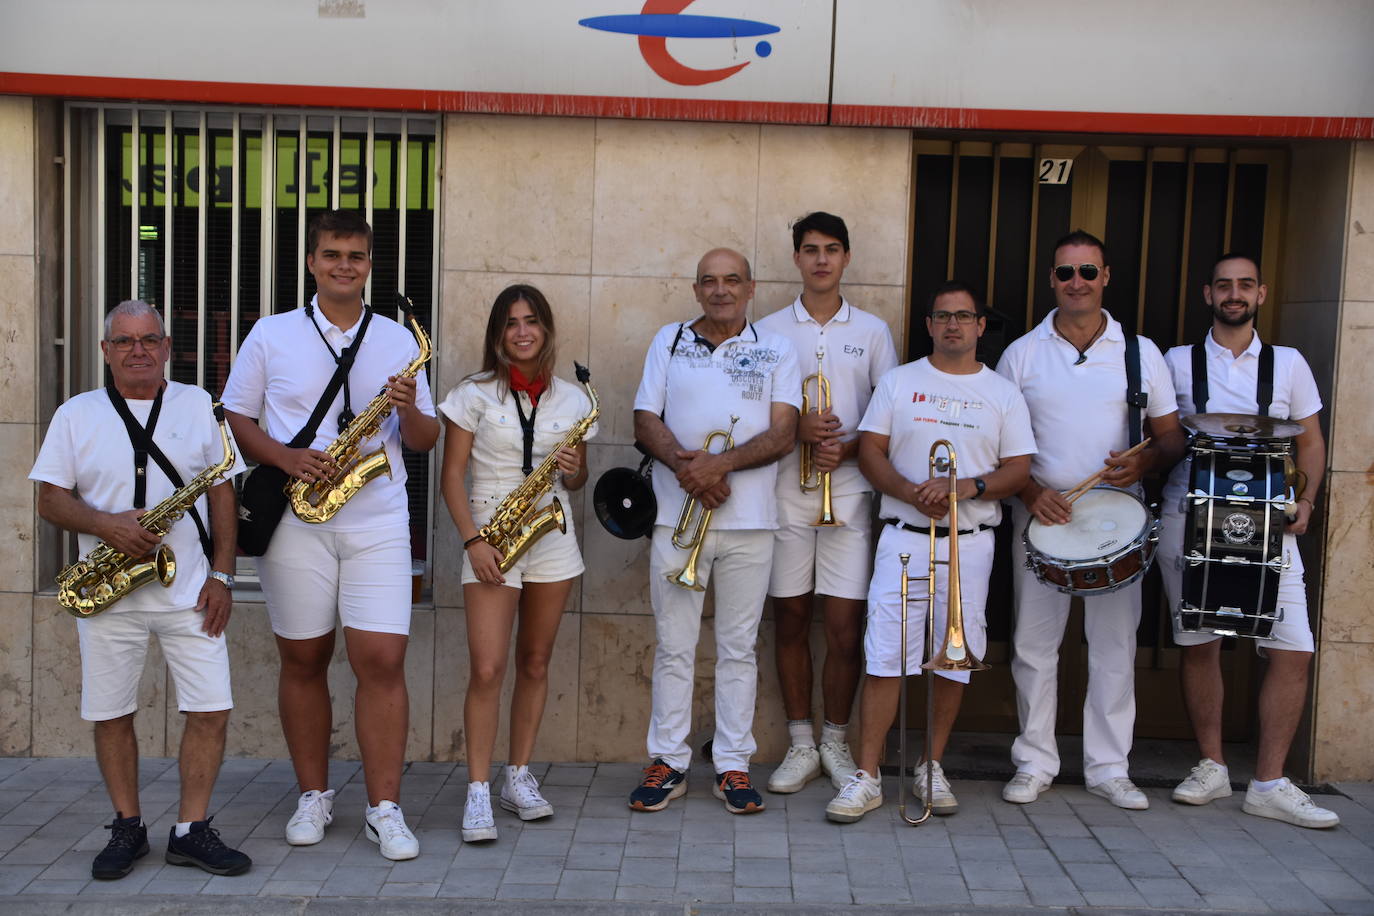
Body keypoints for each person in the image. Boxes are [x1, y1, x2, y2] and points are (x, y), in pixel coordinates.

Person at [221, 210, 439, 860]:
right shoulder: (272, 333)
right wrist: (287, 459)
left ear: (369, 264)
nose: (344, 265)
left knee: (382, 661)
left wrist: (407, 408)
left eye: (356, 256)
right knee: (304, 659)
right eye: (332, 254)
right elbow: (235, 415)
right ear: (311, 262)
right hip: (298, 519)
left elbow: (426, 439)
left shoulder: (399, 341)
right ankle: (312, 797)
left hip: (377, 518)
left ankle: (385, 808)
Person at [30, 300, 251, 879]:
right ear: (105, 351)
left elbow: (223, 494)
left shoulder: (198, 404)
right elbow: (49, 499)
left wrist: (224, 576)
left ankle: (191, 830)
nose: (137, 350)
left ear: (167, 347)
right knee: (112, 712)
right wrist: (108, 526)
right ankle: (127, 826)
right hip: (109, 593)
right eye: (124, 341)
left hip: (191, 591)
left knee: (210, 708)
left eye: (149, 339)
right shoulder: (76, 414)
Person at [825, 282, 1034, 822]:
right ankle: (867, 776)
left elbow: (1019, 470)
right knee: (886, 657)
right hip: (903, 536)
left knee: (953, 659)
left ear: (981, 326)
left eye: (964, 317)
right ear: (929, 324)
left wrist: (965, 489)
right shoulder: (899, 381)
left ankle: (931, 766)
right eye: (943, 317)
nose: (953, 326)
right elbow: (869, 451)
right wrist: (908, 491)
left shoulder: (1003, 392)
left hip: (971, 544)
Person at [996, 229, 1185, 810]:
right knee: (1034, 646)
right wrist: (1029, 491)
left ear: (1106, 278)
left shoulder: (1140, 352)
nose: (1076, 282)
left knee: (1112, 647)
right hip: (1043, 517)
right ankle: (1034, 761)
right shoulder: (1021, 354)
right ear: (1050, 280)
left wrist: (1146, 461)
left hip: (1115, 523)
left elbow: (1172, 436)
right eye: (1064, 272)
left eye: (1087, 271)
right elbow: (994, 437)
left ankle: (1109, 766)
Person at [1159, 254, 1338, 828]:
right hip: (1191, 518)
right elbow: (1156, 437)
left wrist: (1305, 501)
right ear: (1207, 293)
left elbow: (1310, 441)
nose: (1233, 294)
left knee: (1292, 648)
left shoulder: (1288, 364)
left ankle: (1268, 781)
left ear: (1261, 293)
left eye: (1244, 285)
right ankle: (1211, 766)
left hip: (1271, 526)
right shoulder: (1176, 362)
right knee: (1199, 642)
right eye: (1223, 285)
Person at [628, 248, 800, 815]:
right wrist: (687, 466)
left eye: (732, 280)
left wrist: (717, 466)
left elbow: (783, 434)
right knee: (674, 647)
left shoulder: (776, 348)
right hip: (676, 521)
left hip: (751, 525)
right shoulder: (669, 340)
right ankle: (669, 763)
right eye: (710, 281)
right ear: (696, 289)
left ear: (751, 287)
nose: (721, 290)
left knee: (738, 649)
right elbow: (644, 419)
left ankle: (732, 765)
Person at [438, 284, 596, 843]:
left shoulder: (574, 399)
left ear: (546, 329)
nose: (522, 331)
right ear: (498, 334)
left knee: (534, 662)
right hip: (492, 532)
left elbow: (576, 480)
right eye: (511, 323)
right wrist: (473, 541)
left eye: (531, 321)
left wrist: (575, 467)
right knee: (487, 668)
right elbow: (450, 476)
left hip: (552, 532)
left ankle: (518, 776)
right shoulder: (473, 393)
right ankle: (478, 790)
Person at [754, 212, 898, 794]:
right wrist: (798, 431)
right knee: (789, 618)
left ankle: (837, 741)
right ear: (796, 258)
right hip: (786, 492)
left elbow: (889, 419)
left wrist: (849, 444)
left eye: (831, 250)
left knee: (843, 626)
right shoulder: (765, 331)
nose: (820, 260)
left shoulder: (873, 331)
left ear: (846, 258)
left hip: (851, 496)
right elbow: (756, 416)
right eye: (810, 249)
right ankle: (799, 743)